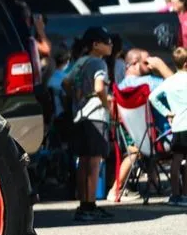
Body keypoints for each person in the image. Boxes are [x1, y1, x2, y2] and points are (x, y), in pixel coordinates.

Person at [108, 48, 173, 201]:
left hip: (133, 141)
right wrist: (161, 66)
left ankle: (153, 184)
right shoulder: (151, 83)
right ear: (135, 64)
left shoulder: (120, 88)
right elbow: (179, 87)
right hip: (158, 141)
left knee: (146, 136)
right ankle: (179, 190)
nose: (150, 65)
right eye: (147, 61)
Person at [62, 27, 113, 221]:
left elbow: (66, 83)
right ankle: (90, 205)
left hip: (80, 116)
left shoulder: (80, 62)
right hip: (95, 115)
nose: (110, 45)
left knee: (83, 161)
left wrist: (77, 98)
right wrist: (106, 105)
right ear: (96, 45)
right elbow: (100, 87)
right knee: (94, 162)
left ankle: (84, 203)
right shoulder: (99, 62)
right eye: (107, 41)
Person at [148, 48, 187, 207]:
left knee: (176, 161)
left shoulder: (169, 82)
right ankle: (185, 194)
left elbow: (152, 97)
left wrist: (167, 113)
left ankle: (175, 195)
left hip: (177, 125)